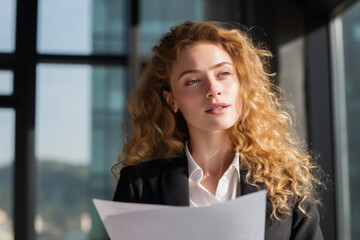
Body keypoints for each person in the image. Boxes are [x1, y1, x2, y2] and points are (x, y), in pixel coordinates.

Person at [112, 21, 323, 239]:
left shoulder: (286, 184)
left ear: (241, 83)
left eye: (223, 74)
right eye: (193, 81)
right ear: (171, 99)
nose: (214, 90)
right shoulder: (139, 188)